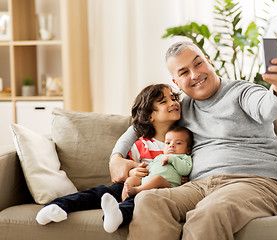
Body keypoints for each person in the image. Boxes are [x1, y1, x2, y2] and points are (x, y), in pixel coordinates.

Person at [109, 41, 277, 240]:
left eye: (198, 64)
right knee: (148, 200)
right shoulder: (182, 108)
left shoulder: (242, 92)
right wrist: (116, 157)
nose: (195, 75)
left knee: (208, 213)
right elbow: (138, 126)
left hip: (253, 183)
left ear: (208, 61)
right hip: (199, 187)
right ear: (176, 82)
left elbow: (269, 108)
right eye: (184, 72)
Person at [36, 83, 184, 233]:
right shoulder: (140, 144)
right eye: (164, 101)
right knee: (99, 193)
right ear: (149, 116)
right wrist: (132, 173)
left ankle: (118, 215)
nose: (173, 103)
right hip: (131, 185)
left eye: (173, 98)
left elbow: (186, 166)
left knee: (138, 200)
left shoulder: (182, 141)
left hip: (154, 192)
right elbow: (129, 168)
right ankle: (58, 206)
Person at [123, 125, 193, 199]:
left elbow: (185, 170)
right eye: (168, 143)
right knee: (131, 180)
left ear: (188, 150)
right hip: (148, 180)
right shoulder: (159, 157)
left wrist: (172, 159)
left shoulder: (184, 157)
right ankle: (123, 201)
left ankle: (137, 190)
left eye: (178, 143)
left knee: (158, 179)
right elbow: (150, 167)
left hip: (168, 185)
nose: (171, 145)